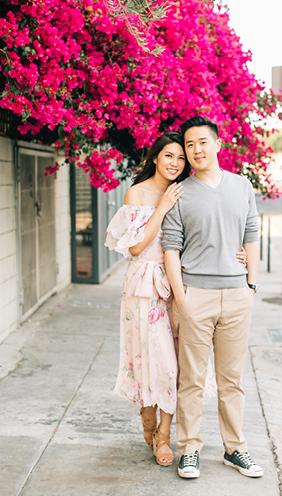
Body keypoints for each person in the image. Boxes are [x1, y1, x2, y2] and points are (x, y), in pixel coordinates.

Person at [106, 132, 245, 467]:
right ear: (155, 157)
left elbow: (208, 231)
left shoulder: (185, 192)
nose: (176, 163)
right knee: (147, 360)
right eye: (169, 156)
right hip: (144, 285)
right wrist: (163, 205)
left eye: (181, 158)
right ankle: (149, 422)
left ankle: (164, 437)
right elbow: (136, 246)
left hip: (180, 283)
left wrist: (237, 254)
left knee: (175, 366)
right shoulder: (137, 192)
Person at [162, 115, 263, 480]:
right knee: (191, 379)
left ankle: (235, 449)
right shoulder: (180, 192)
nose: (196, 150)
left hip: (237, 295)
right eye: (189, 145)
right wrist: (182, 297)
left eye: (202, 142)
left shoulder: (242, 186)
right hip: (196, 296)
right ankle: (189, 450)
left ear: (218, 144)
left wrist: (251, 283)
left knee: (231, 379)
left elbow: (252, 231)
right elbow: (170, 247)